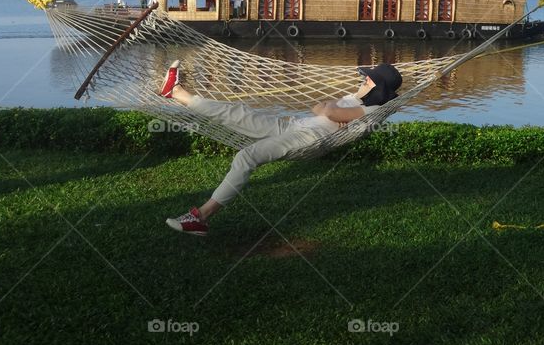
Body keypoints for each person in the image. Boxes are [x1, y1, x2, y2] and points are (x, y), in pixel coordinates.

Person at [160, 61, 403, 236]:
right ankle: (177, 93)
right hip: (295, 126)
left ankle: (200, 218)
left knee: (246, 157)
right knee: (238, 113)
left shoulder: (372, 111)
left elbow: (328, 110)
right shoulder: (357, 100)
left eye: (367, 79)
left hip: (309, 138)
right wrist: (330, 110)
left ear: (377, 87)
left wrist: (330, 110)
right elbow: (318, 107)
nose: (362, 79)